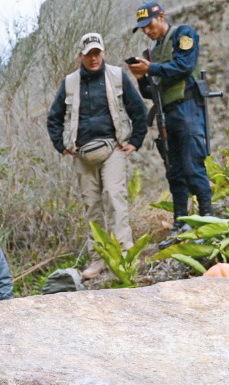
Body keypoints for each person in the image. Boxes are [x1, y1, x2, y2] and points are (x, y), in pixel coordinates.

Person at [48, 31, 148, 280]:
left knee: (115, 197)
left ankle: (124, 255)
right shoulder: (70, 83)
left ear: (103, 52)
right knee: (92, 207)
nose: (93, 58)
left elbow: (139, 110)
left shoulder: (116, 76)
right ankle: (98, 258)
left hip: (113, 148)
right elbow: (54, 117)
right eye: (88, 54)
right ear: (80, 56)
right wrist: (61, 146)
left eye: (97, 53)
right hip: (82, 153)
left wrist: (135, 141)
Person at [128, 1, 214, 241]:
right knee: (174, 171)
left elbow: (184, 66)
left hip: (187, 108)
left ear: (162, 17)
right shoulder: (153, 53)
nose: (147, 31)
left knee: (192, 164)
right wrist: (142, 77)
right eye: (142, 28)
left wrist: (152, 68)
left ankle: (208, 218)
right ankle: (181, 221)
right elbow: (149, 92)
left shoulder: (183, 35)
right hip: (166, 115)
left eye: (149, 25)